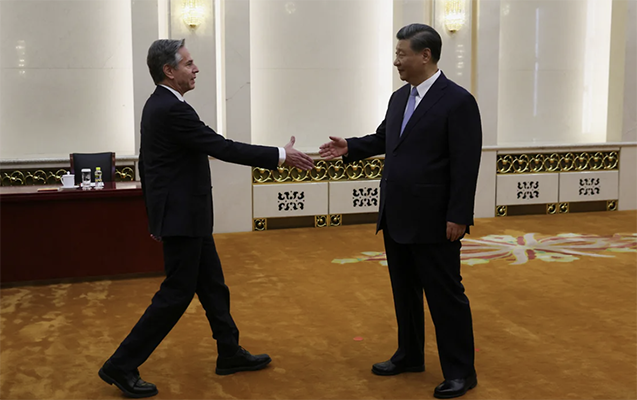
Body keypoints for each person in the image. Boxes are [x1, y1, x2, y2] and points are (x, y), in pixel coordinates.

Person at [98, 39, 315, 398]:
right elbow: (221, 146)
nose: (196, 68)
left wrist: (156, 217)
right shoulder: (171, 109)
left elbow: (147, 166)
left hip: (188, 217)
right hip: (183, 218)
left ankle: (229, 351)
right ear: (169, 71)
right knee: (176, 294)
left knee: (212, 285)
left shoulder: (160, 104)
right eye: (189, 63)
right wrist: (281, 155)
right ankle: (121, 364)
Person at [319, 24, 482, 399]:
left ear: (425, 55)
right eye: (396, 54)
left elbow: (466, 164)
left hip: (436, 220)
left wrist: (459, 215)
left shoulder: (458, 101)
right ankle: (409, 355)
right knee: (405, 293)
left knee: (445, 296)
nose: (396, 61)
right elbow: (385, 138)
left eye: (401, 54)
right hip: (396, 216)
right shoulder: (398, 99)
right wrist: (350, 147)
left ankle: (461, 371)